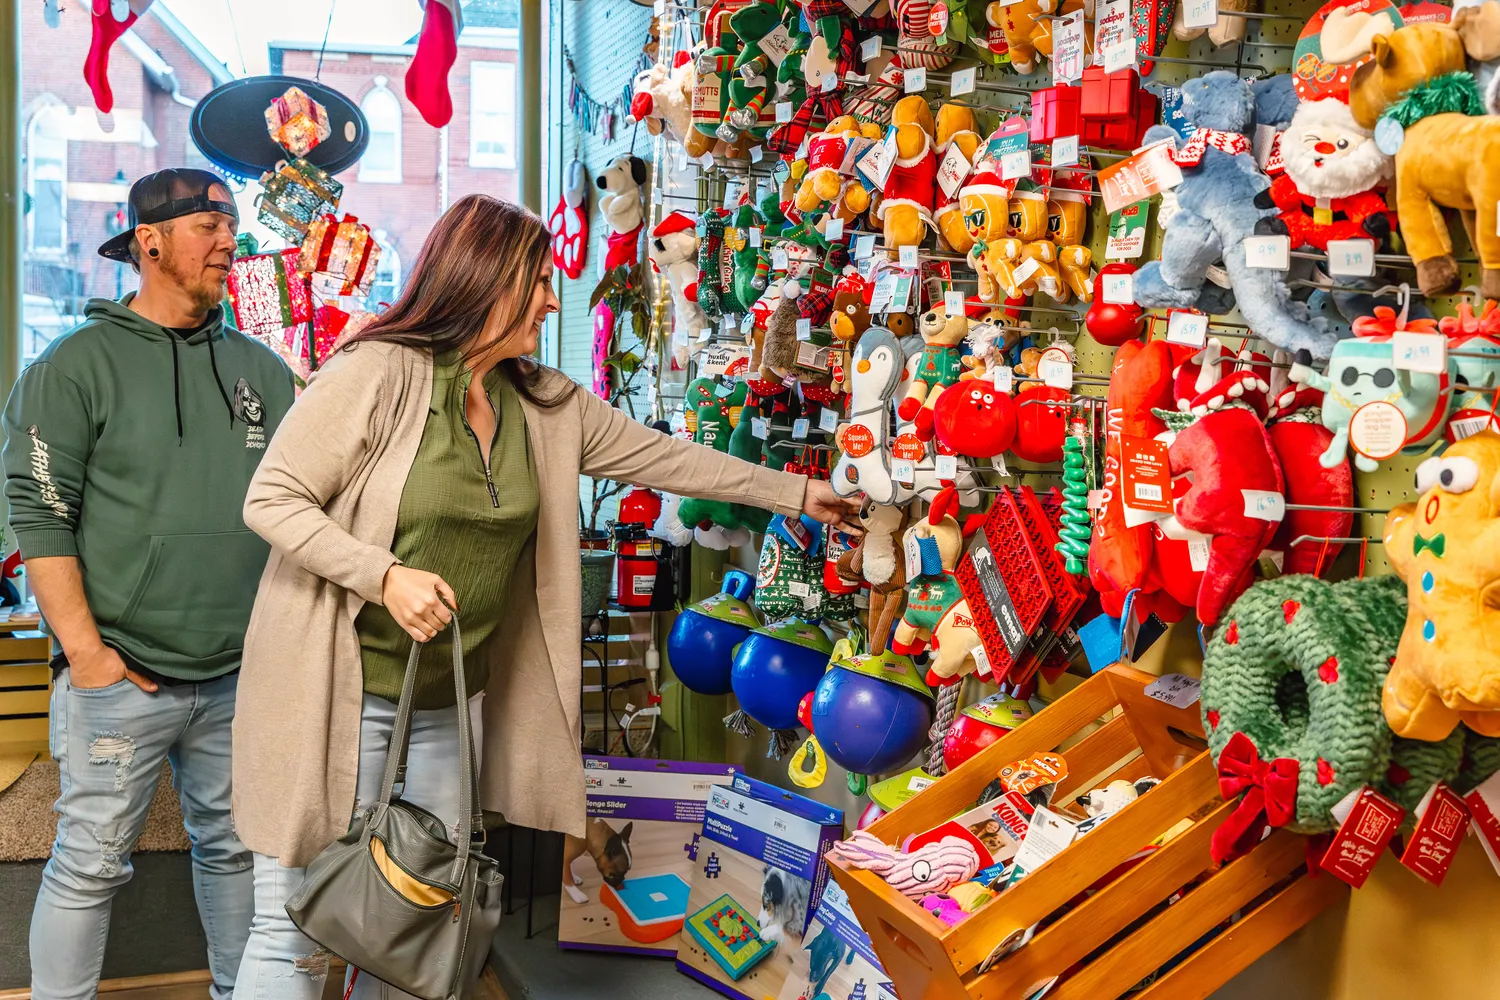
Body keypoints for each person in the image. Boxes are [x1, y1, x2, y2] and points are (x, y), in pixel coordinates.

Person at [231, 194, 860, 999]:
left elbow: (666, 460)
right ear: (483, 279)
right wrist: (381, 575)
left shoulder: (543, 404)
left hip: (443, 710)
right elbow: (272, 498)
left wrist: (800, 496)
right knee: (295, 933)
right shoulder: (377, 373)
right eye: (537, 280)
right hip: (334, 695)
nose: (553, 298)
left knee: (418, 926)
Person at [2, 168, 296, 1000]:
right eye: (208, 225)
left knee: (234, 848)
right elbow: (40, 514)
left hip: (239, 673)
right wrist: (87, 656)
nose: (228, 241)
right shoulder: (73, 367)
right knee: (90, 862)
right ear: (149, 241)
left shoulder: (261, 371)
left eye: (231, 224)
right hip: (122, 671)